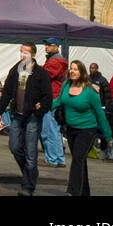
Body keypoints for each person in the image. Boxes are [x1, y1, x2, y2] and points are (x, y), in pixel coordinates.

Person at [0, 43, 52, 197]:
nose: (21, 55)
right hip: (17, 115)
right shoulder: (16, 70)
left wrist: (41, 107)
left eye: (25, 53)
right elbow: (6, 92)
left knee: (31, 152)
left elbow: (48, 96)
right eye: (20, 52)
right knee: (14, 146)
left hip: (33, 116)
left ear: (32, 55)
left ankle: (28, 186)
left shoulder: (40, 73)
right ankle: (30, 173)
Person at [52, 58, 113, 197]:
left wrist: (108, 136)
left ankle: (72, 191)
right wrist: (43, 107)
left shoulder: (90, 92)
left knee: (77, 159)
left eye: (75, 69)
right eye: (71, 69)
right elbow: (59, 100)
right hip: (71, 129)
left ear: (82, 72)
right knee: (80, 161)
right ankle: (85, 192)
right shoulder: (66, 85)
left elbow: (100, 115)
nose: (72, 71)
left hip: (87, 130)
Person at [40, 38, 68, 168]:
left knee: (48, 130)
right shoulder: (57, 60)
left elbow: (45, 76)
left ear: (56, 47)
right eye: (46, 45)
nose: (46, 47)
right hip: (56, 97)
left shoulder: (55, 61)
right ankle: (59, 158)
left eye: (49, 45)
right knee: (55, 131)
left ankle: (52, 159)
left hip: (51, 98)